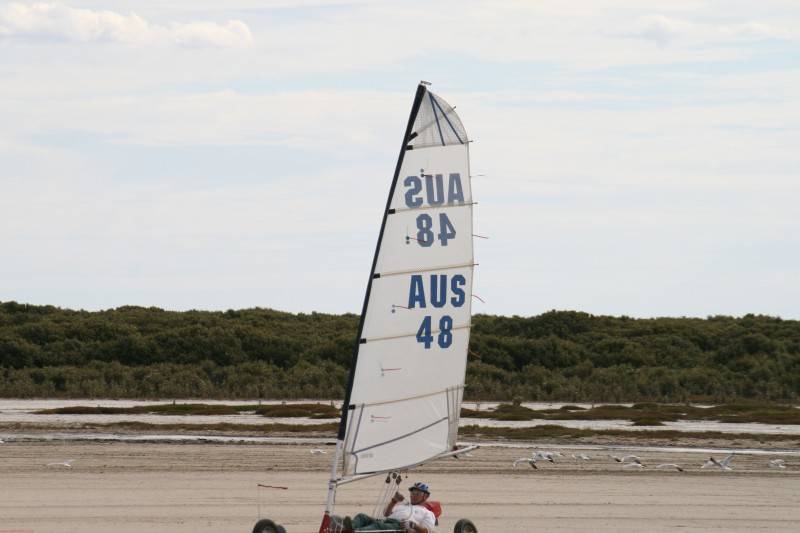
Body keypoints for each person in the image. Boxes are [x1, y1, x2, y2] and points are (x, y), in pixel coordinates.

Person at [336, 482, 436, 533]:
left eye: (417, 493)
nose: (413, 495)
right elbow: (386, 514)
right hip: (386, 522)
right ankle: (349, 528)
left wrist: (413, 525)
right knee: (362, 517)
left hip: (398, 528)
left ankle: (355, 532)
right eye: (412, 492)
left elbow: (427, 531)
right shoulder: (404, 506)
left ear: (425, 496)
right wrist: (394, 501)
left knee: (378, 527)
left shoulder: (427, 513)